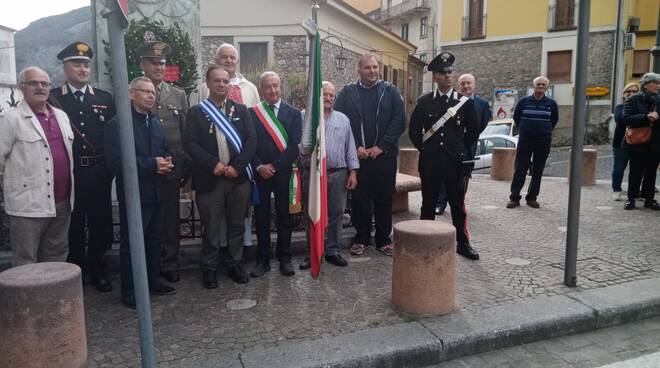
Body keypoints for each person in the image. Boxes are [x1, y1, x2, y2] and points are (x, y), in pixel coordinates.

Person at [49, 42, 116, 292]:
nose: (82, 69)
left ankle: (99, 269)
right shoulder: (54, 98)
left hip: (98, 171)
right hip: (70, 172)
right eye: (77, 64)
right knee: (73, 223)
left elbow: (112, 135)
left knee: (100, 222)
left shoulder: (104, 98)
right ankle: (75, 271)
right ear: (65, 68)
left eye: (86, 64)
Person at [105, 76, 176, 308]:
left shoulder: (154, 122)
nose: (149, 96)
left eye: (152, 93)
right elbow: (117, 162)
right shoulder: (119, 124)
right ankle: (130, 289)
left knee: (155, 240)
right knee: (132, 243)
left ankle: (153, 279)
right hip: (136, 194)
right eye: (144, 91)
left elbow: (163, 149)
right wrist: (153, 165)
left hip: (157, 192)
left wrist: (167, 161)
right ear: (130, 93)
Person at [184, 65, 257, 288]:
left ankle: (235, 263)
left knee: (236, 224)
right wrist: (212, 164)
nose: (222, 85)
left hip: (237, 178)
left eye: (225, 81)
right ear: (208, 83)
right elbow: (190, 143)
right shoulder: (197, 112)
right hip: (210, 178)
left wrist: (237, 166)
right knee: (212, 226)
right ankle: (209, 267)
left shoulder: (241, 110)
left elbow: (252, 141)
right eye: (217, 81)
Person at [408, 52, 480, 261]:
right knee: (427, 205)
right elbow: (414, 131)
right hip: (431, 163)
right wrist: (427, 150)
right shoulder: (425, 102)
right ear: (436, 76)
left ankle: (463, 243)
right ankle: (425, 242)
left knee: (458, 206)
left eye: (450, 72)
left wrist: (457, 149)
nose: (448, 75)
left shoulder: (464, 103)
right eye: (443, 72)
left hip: (454, 163)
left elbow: (473, 133)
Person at [0, 67, 74, 266]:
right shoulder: (11, 120)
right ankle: (26, 299)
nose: (40, 87)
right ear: (21, 87)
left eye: (45, 83)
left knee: (56, 257)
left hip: (62, 203)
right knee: (26, 262)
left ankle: (52, 298)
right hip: (27, 207)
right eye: (34, 83)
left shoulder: (61, 116)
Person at [334, 54, 405, 257]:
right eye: (368, 68)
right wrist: (354, 147)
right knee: (360, 199)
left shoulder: (390, 91)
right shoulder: (347, 93)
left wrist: (381, 146)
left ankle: (384, 239)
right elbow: (339, 122)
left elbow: (399, 120)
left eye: (375, 67)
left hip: (385, 156)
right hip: (359, 158)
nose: (373, 71)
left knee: (384, 198)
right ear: (359, 70)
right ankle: (362, 237)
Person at [138, 41, 189, 283]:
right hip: (143, 169)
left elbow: (185, 132)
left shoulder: (178, 95)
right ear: (143, 65)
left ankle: (169, 262)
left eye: (162, 62)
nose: (158, 67)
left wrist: (185, 165)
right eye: (153, 62)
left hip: (171, 167)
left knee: (170, 218)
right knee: (145, 218)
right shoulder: (134, 92)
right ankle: (146, 263)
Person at [299, 81, 359, 270]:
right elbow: (298, 144)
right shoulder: (305, 116)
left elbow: (350, 147)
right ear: (318, 95)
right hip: (313, 174)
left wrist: (353, 172)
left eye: (332, 95)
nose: (329, 98)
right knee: (312, 214)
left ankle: (333, 250)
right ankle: (312, 252)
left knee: (336, 213)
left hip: (338, 174)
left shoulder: (343, 119)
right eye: (325, 94)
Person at [250, 71, 302, 277]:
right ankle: (262, 260)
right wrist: (260, 166)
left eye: (275, 85)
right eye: (267, 86)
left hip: (283, 174)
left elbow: (294, 146)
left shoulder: (293, 113)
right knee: (261, 218)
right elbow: (250, 144)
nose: (272, 90)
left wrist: (275, 166)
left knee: (285, 217)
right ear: (261, 89)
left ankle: (285, 257)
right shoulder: (253, 113)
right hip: (260, 174)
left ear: (281, 87)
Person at [436, 73, 491, 215]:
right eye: (463, 83)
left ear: (474, 85)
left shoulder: (483, 104)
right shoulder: (452, 101)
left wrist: (468, 138)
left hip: (468, 145)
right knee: (445, 172)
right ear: (459, 85)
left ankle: (459, 204)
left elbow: (482, 124)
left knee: (464, 175)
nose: (466, 86)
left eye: (469, 83)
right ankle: (441, 203)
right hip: (451, 144)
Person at [506, 76, 558, 209]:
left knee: (538, 170)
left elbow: (554, 120)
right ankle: (515, 197)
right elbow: (517, 118)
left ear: (546, 87)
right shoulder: (523, 102)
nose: (540, 86)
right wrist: (526, 130)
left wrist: (543, 130)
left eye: (543, 85)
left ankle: (532, 197)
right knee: (520, 169)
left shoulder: (551, 104)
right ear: (534, 86)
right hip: (525, 140)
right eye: (538, 84)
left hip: (543, 141)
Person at [621, 72, 660, 211]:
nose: (658, 85)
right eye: (655, 82)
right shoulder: (633, 99)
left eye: (658, 83)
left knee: (651, 173)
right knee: (635, 172)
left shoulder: (659, 99)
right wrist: (646, 116)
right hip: (638, 142)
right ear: (646, 84)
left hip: (655, 143)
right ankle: (631, 199)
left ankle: (649, 199)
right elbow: (626, 118)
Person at [190, 43, 260, 107]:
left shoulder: (250, 88)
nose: (229, 61)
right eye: (224, 57)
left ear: (237, 61)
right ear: (216, 60)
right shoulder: (204, 89)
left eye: (232, 57)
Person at [611, 82, 639, 201]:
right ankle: (616, 190)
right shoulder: (619, 107)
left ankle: (636, 192)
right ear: (624, 94)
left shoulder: (641, 107)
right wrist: (639, 118)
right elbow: (620, 119)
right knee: (619, 167)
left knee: (637, 168)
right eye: (629, 91)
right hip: (620, 143)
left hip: (638, 142)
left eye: (634, 91)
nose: (631, 93)